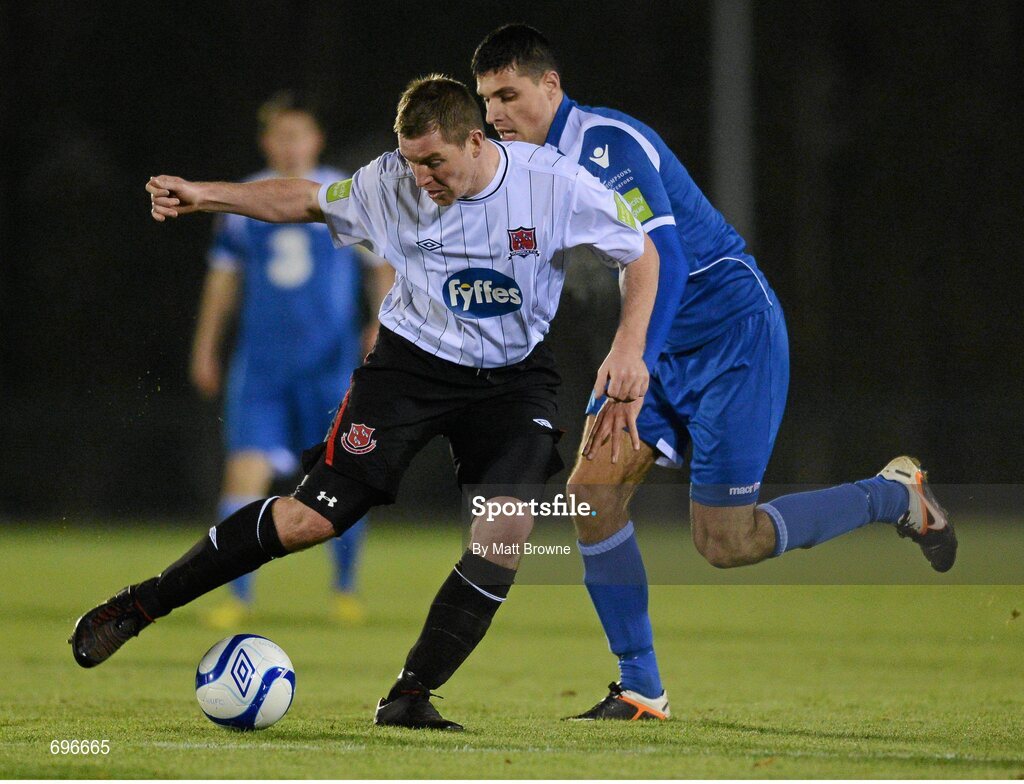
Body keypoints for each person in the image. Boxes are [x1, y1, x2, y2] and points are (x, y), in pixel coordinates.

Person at [69, 74, 660, 731]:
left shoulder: (551, 183)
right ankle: (138, 607)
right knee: (307, 522)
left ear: (475, 140)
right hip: (408, 369)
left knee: (503, 536)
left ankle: (409, 696)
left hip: (514, 381)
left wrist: (629, 346)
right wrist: (206, 195)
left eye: (434, 161)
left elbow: (639, 252)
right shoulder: (392, 182)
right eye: (411, 161)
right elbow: (303, 200)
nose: (422, 178)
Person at [472, 24, 957, 721]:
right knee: (591, 494)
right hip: (659, 342)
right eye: (487, 100)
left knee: (725, 543)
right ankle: (641, 689)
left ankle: (894, 495)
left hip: (734, 338)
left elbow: (661, 257)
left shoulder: (607, 146)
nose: (496, 114)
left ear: (551, 86)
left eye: (509, 95)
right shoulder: (524, 166)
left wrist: (632, 352)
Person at [191, 94, 392, 629]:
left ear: (316, 140)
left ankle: (344, 589)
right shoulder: (242, 202)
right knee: (244, 474)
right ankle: (236, 595)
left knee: (341, 478)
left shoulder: (341, 194)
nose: (290, 145)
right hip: (261, 369)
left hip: (331, 367)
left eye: (298, 134)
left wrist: (381, 323)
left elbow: (382, 266)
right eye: (280, 136)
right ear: (266, 142)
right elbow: (223, 280)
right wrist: (206, 347)